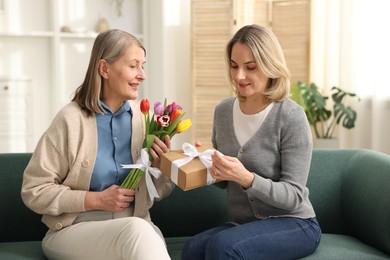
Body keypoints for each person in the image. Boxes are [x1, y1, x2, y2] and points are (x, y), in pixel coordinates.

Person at [21, 29, 175, 260]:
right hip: (74, 229)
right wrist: (95, 200)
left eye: (143, 66)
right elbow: (34, 191)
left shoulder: (143, 121)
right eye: (133, 66)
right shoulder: (71, 120)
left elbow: (156, 194)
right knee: (138, 232)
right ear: (104, 69)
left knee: (143, 233)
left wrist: (161, 167)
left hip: (134, 225)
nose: (142, 75)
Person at [182, 24, 321, 260]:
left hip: (295, 222)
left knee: (223, 247)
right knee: (192, 250)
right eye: (234, 66)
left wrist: (246, 178)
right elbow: (223, 183)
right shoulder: (223, 111)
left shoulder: (291, 116)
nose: (239, 76)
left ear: (270, 66)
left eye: (251, 67)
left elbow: (294, 195)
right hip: (245, 225)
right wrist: (208, 163)